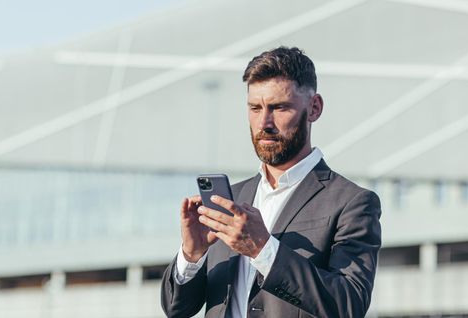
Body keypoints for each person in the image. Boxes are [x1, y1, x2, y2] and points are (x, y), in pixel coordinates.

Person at [161, 46, 382, 318]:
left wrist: (264, 249)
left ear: (314, 108)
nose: (264, 122)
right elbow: (176, 308)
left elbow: (349, 305)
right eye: (255, 108)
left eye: (279, 107)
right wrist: (192, 255)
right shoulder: (232, 200)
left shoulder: (352, 203)